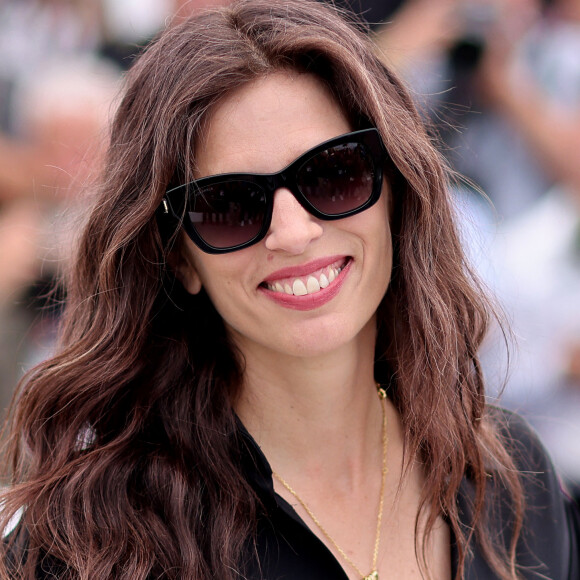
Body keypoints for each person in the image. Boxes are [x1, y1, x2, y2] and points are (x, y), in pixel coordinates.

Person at [0, 1, 578, 579]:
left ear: (396, 192)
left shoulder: (512, 479)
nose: (294, 233)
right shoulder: (92, 539)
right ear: (180, 257)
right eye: (230, 204)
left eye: (334, 174)